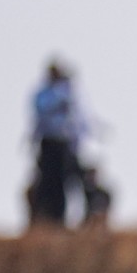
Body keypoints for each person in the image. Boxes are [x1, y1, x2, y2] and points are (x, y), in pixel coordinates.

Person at [27, 58, 83, 229]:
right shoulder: (42, 93)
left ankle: (63, 219)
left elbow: (77, 118)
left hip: (64, 143)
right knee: (47, 182)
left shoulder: (69, 92)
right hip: (48, 142)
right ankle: (47, 218)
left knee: (65, 182)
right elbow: (40, 113)